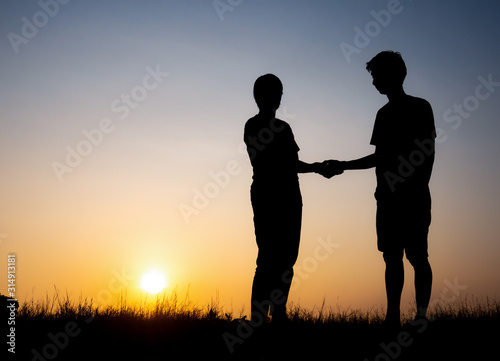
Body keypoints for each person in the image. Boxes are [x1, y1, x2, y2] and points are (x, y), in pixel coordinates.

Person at [327, 51, 435, 328]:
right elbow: (379, 156)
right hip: (387, 198)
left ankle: (420, 316)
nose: (374, 81)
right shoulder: (383, 114)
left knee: (417, 256)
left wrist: (416, 186)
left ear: (391, 75)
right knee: (392, 257)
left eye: (376, 75)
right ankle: (393, 317)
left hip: (411, 197)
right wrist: (344, 165)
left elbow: (427, 152)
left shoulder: (421, 107)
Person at [244, 74, 338, 325]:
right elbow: (280, 163)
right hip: (268, 196)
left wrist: (317, 167)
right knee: (267, 257)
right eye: (273, 92)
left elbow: (291, 164)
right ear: (259, 96)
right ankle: (258, 318)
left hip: (290, 197)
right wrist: (317, 167)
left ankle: (279, 314)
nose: (277, 97)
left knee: (286, 259)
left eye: (279, 93)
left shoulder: (284, 128)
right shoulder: (252, 126)